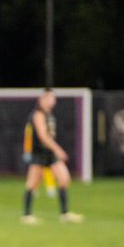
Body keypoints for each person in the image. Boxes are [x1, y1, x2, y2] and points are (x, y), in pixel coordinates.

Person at [21, 89, 83, 224]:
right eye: (50, 98)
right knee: (32, 184)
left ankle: (64, 213)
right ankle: (26, 215)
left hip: (49, 154)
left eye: (54, 99)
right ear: (42, 99)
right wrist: (58, 149)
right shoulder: (38, 114)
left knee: (64, 179)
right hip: (39, 153)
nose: (53, 101)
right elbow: (43, 136)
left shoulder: (48, 114)